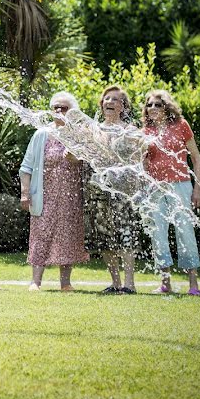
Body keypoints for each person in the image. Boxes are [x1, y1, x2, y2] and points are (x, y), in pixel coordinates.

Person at [19, 92, 90, 291]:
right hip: (44, 196)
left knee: (68, 236)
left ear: (73, 112)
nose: (59, 111)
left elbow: (89, 164)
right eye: (56, 108)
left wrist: (77, 158)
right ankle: (35, 282)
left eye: (64, 108)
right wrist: (25, 193)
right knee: (40, 235)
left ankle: (65, 283)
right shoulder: (41, 134)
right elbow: (26, 167)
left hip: (71, 198)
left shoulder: (78, 135)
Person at [142, 89, 200, 295]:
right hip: (155, 187)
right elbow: (142, 162)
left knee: (185, 231)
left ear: (166, 107)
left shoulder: (181, 125)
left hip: (180, 184)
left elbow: (196, 158)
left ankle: (193, 284)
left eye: (157, 104)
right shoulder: (145, 131)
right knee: (157, 234)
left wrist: (197, 189)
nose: (152, 108)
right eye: (148, 105)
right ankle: (165, 284)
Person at [83, 85, 143, 294]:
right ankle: (115, 282)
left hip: (123, 192)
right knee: (104, 238)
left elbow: (139, 160)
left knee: (125, 235)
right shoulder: (93, 129)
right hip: (98, 191)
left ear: (123, 106)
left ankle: (129, 284)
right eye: (106, 99)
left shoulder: (131, 131)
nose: (109, 102)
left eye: (115, 100)